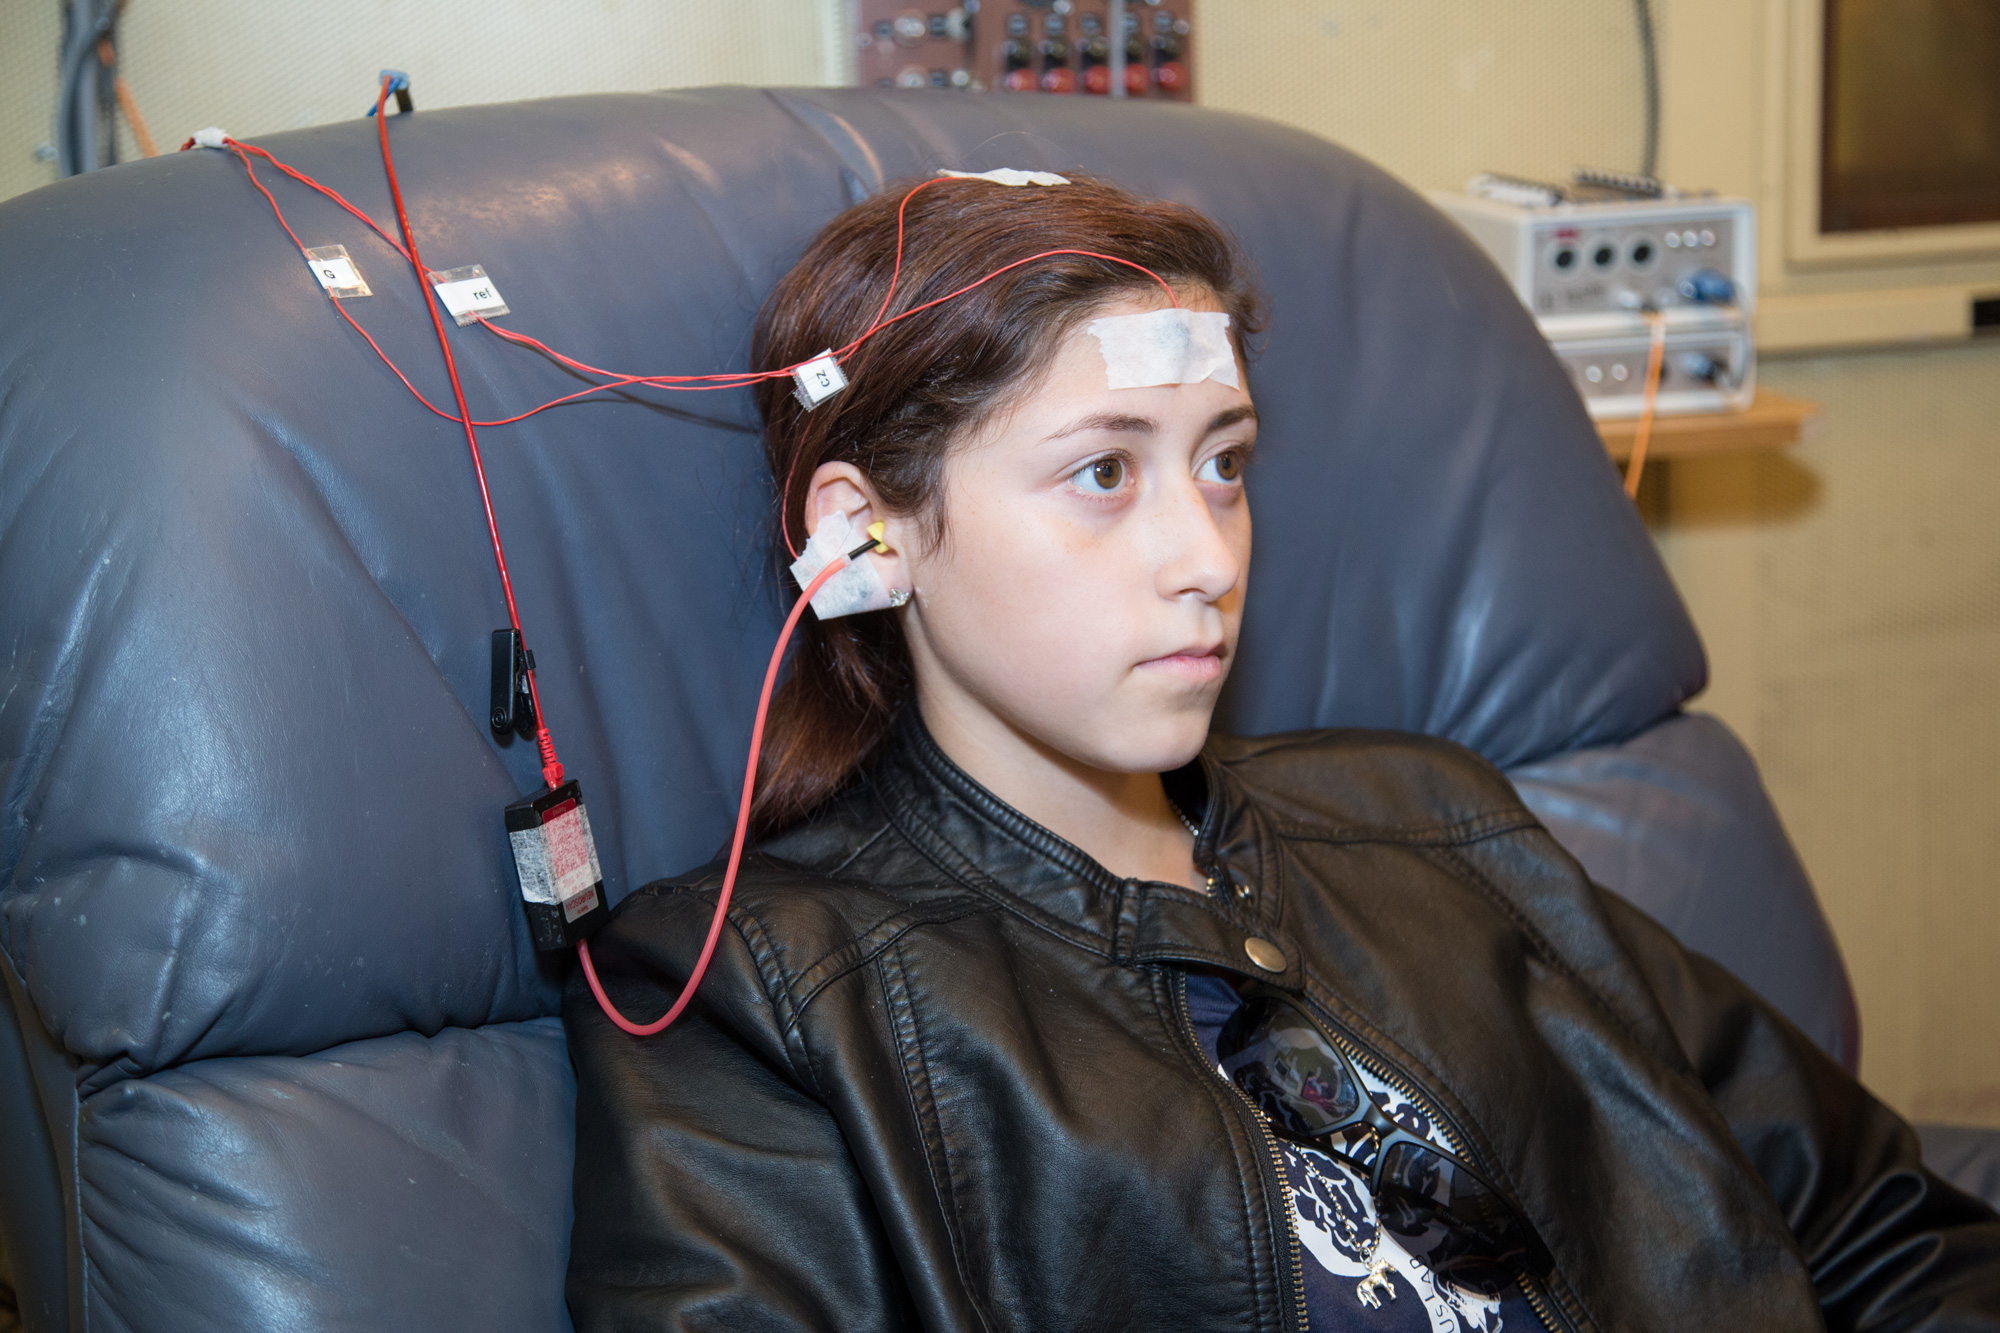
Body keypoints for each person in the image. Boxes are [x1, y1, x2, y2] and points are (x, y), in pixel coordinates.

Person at [563, 173, 2000, 1332]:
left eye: (1225, 461)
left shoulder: (1435, 822)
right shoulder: (757, 1002)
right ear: (867, 536)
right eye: (1103, 472)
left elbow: (1886, 1230)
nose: (1205, 556)